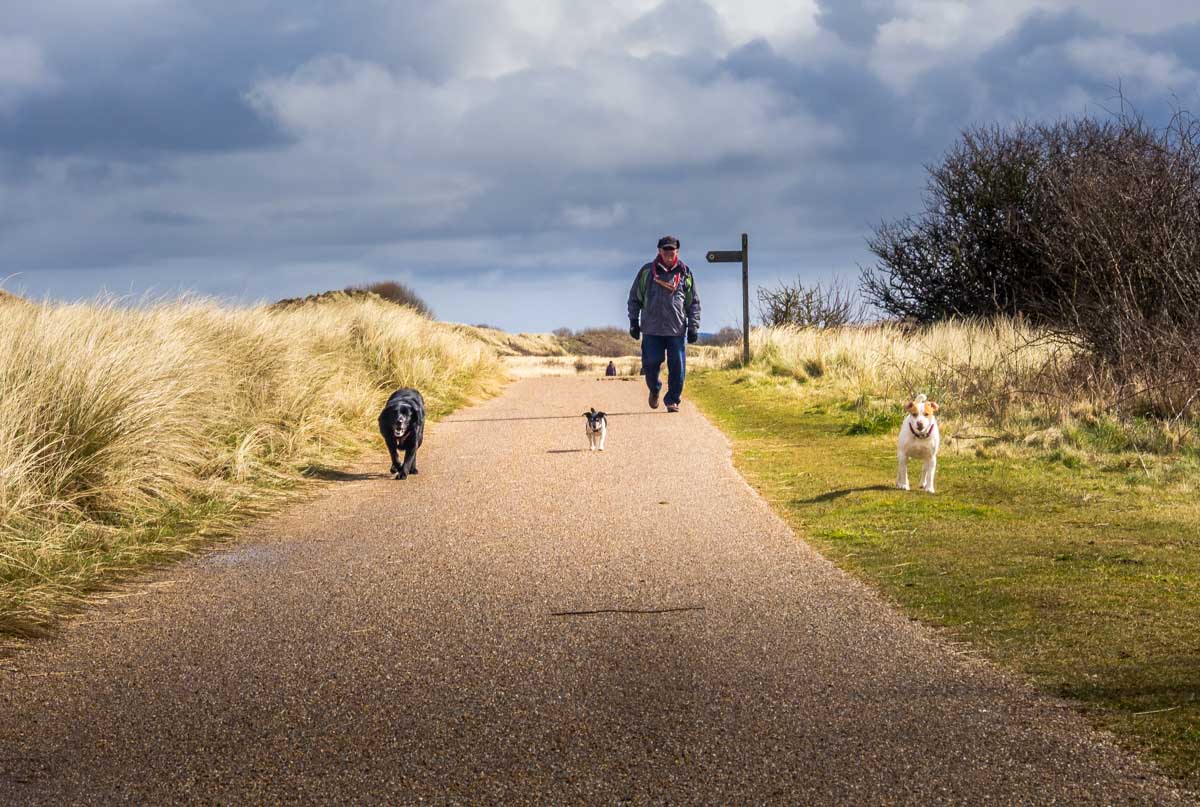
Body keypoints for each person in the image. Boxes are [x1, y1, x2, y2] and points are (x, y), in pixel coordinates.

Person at [627, 235, 701, 412]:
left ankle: (673, 400)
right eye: (665, 249)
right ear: (659, 251)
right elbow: (634, 298)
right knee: (650, 365)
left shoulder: (685, 273)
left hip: (676, 330)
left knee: (678, 367)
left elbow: (693, 303)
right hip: (651, 329)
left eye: (672, 250)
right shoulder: (647, 272)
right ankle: (655, 388)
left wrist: (693, 326)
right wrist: (633, 322)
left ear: (677, 251)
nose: (669, 253)